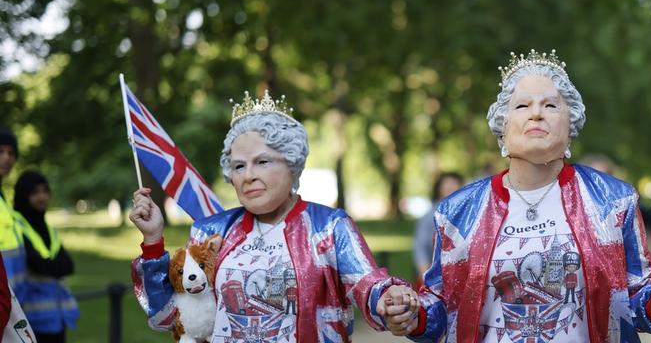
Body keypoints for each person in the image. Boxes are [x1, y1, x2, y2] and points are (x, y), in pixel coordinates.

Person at [378, 50, 651, 342]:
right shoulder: (458, 211)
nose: (536, 113)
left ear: (571, 126)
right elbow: (439, 308)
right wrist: (410, 313)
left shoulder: (612, 200)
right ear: (502, 128)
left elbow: (636, 291)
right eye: (522, 105)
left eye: (550, 105)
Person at [129, 91, 417, 342]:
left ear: (292, 165)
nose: (249, 175)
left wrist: (389, 299)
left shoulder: (328, 227)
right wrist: (153, 240)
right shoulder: (210, 232)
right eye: (239, 166)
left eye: (262, 162)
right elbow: (169, 316)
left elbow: (368, 284)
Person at [13, 171, 78, 343]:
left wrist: (47, 265)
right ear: (23, 196)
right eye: (35, 193)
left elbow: (68, 266)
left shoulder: (47, 228)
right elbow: (37, 265)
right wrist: (52, 265)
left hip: (56, 317)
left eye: (44, 191)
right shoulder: (15, 225)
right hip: (29, 320)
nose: (42, 197)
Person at [413, 172, 464, 277]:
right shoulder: (431, 215)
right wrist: (425, 275)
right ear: (439, 188)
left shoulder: (469, 212)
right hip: (437, 274)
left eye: (454, 183)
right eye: (447, 183)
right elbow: (421, 246)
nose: (451, 187)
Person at [0, 128, 27, 293]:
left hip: (12, 296)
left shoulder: (4, 199)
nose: (6, 158)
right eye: (0, 151)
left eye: (11, 153)